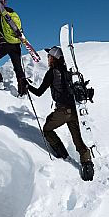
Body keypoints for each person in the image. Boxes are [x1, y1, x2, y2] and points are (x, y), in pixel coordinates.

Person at [27, 46, 94, 181]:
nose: (48, 58)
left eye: (49, 56)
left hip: (63, 111)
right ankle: (87, 166)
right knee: (79, 140)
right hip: (75, 110)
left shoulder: (52, 72)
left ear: (54, 58)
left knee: (47, 129)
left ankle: (62, 154)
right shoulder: (71, 73)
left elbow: (39, 93)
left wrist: (26, 85)